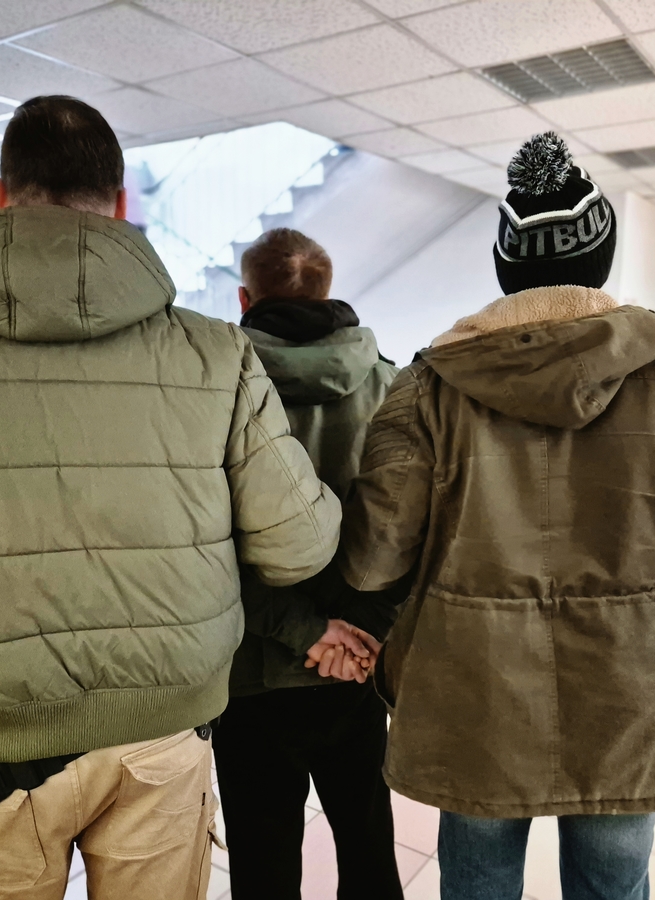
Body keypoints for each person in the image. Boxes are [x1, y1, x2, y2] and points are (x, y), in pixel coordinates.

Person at [0, 96, 341, 900]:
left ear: (1, 195)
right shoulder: (217, 353)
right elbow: (297, 547)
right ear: (118, 203)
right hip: (161, 736)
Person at [337, 133, 655, 900]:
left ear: (505, 266)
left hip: (475, 694)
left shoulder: (427, 387)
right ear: (600, 259)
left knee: (476, 883)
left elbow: (376, 554)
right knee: (613, 885)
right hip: (634, 695)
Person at [212, 228, 403, 900]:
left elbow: (205, 546)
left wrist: (304, 631)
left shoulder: (213, 388)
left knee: (263, 867)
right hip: (358, 667)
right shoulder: (392, 384)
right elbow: (410, 533)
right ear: (327, 291)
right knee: (370, 851)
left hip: (250, 671)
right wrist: (360, 629)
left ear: (245, 298)